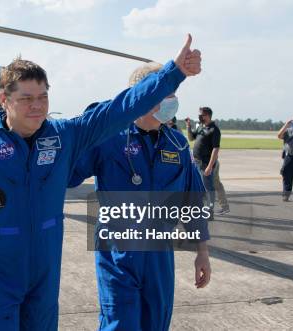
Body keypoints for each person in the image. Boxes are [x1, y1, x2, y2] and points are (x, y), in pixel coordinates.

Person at [0, 34, 202, 330]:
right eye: (26, 98)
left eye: (43, 97)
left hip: (44, 273)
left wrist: (174, 72)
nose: (37, 106)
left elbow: (122, 108)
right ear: (4, 100)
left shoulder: (64, 136)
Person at [68, 62, 210, 331]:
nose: (173, 100)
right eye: (167, 92)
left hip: (159, 254)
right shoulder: (107, 138)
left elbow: (192, 202)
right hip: (118, 252)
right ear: (144, 95)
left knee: (156, 322)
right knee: (120, 324)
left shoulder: (177, 144)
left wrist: (202, 251)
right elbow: (66, 175)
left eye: (173, 93)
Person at [186, 107, 230, 215]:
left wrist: (210, 166)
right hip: (196, 162)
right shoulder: (201, 127)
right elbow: (191, 138)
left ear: (208, 115)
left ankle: (210, 210)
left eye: (202, 114)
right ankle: (203, 208)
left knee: (209, 187)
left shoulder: (214, 130)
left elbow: (216, 149)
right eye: (199, 114)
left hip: (206, 163)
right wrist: (188, 126)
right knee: (202, 186)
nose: (199, 116)